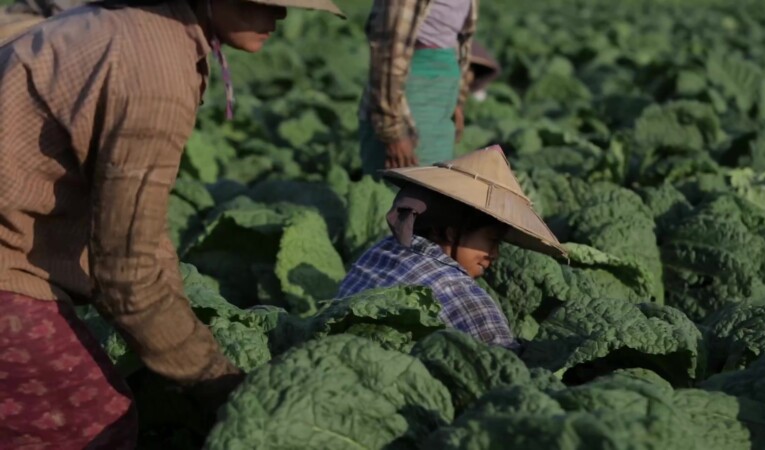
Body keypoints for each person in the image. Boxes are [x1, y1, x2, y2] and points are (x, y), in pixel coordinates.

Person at [0, 0, 344, 448]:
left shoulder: (136, 25)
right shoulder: (154, 71)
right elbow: (127, 273)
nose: (278, 16)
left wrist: (179, 317)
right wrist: (214, 380)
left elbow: (139, 226)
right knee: (92, 426)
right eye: (262, 2)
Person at [337, 145, 567, 348]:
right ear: (451, 232)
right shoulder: (458, 292)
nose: (494, 254)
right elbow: (502, 363)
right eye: (492, 240)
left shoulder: (381, 251)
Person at [358, 0, 478, 175]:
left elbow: (457, 39)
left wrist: (456, 98)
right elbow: (389, 49)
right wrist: (393, 131)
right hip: (408, 99)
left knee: (434, 189)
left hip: (441, 95)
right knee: (406, 190)